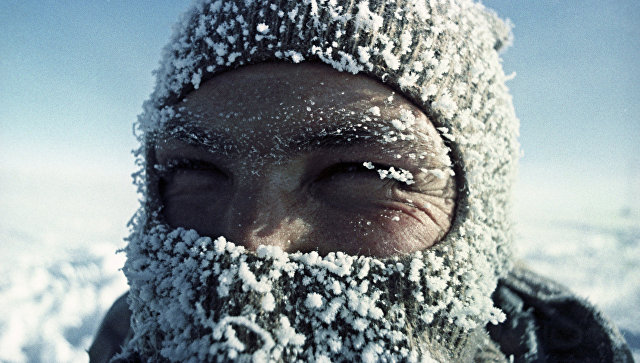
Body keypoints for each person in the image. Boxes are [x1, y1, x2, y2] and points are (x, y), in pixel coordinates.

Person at [90, 0, 633, 361]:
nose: (250, 241)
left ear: (476, 218)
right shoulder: (125, 332)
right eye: (197, 169)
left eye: (360, 173)